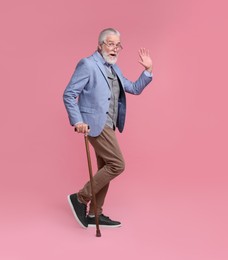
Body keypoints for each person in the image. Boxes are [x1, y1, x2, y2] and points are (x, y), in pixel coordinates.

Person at [63, 28, 153, 228]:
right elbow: (69, 94)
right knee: (117, 164)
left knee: (106, 168)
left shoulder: (114, 68)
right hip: (94, 124)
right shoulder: (88, 64)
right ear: (100, 45)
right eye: (110, 44)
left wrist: (147, 71)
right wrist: (78, 121)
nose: (115, 49)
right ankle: (80, 197)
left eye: (118, 45)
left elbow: (133, 88)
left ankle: (95, 214)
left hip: (109, 125)